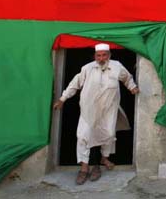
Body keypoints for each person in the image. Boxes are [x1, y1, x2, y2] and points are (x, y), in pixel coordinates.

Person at [53, 43, 140, 185]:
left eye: (104, 55)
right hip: (89, 109)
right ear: (95, 56)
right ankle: (84, 167)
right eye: (98, 55)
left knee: (109, 135)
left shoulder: (117, 66)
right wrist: (63, 99)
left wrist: (132, 87)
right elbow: (75, 84)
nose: (101, 58)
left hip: (108, 109)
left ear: (109, 55)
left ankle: (103, 158)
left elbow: (127, 78)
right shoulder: (87, 68)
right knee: (83, 136)